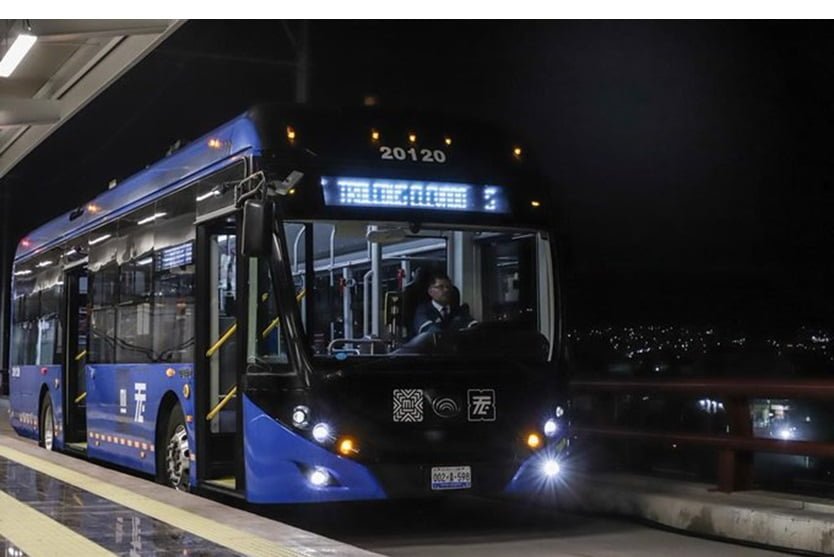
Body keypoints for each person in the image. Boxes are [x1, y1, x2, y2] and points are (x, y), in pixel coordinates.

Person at [412, 273, 477, 336]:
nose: (446, 290)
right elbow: (428, 331)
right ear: (430, 291)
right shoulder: (423, 311)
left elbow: (473, 325)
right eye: (441, 287)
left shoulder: (458, 310)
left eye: (448, 287)